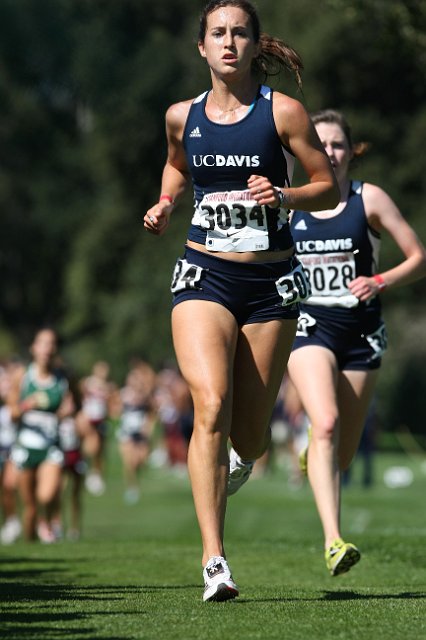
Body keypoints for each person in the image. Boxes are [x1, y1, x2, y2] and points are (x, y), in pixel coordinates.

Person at [144, 0, 339, 601]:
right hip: (203, 274)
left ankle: (242, 458)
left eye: (240, 33)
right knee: (212, 402)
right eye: (218, 34)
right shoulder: (182, 115)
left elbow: (328, 184)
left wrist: (282, 195)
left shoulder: (283, 113)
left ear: (256, 45)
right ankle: (214, 562)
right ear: (201, 48)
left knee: (250, 435)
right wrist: (167, 202)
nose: (229, 42)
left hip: (271, 285)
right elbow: (177, 166)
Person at [287, 109, 426, 576]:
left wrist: (380, 281)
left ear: (351, 150)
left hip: (362, 334)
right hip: (309, 328)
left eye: (338, 144)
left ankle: (315, 449)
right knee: (325, 422)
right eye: (320, 143)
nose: (329, 151)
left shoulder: (369, 200)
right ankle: (333, 541)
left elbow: (419, 258)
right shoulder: (291, 205)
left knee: (340, 453)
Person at [8, 328, 70, 542]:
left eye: (51, 343)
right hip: (26, 446)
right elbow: (12, 413)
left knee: (46, 495)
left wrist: (69, 410)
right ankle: (31, 545)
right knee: (30, 508)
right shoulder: (23, 376)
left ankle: (50, 522)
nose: (47, 348)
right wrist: (28, 404)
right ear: (33, 348)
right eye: (43, 343)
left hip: (51, 447)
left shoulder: (63, 377)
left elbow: (77, 403)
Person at [78, 361, 115, 496]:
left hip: (101, 420)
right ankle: (89, 470)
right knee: (91, 446)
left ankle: (97, 474)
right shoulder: (88, 383)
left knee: (100, 450)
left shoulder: (108, 386)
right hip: (89, 419)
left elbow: (111, 404)